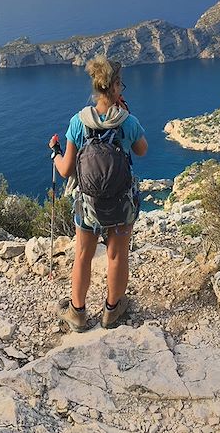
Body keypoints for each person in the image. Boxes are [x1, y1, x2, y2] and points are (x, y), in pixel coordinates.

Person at [49, 55, 148, 332]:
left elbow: (67, 169)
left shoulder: (79, 122)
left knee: (83, 254)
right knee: (117, 255)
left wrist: (54, 153)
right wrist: (127, 116)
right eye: (121, 85)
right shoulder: (127, 121)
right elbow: (142, 150)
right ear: (115, 86)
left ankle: (77, 312)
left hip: (88, 204)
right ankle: (112, 310)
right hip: (121, 204)